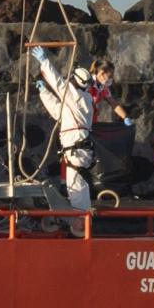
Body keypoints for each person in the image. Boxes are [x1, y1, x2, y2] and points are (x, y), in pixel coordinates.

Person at [31, 46, 95, 219]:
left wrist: (44, 61)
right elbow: (58, 110)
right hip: (77, 146)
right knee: (76, 183)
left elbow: (58, 82)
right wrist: (44, 92)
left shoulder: (74, 95)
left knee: (76, 184)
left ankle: (81, 222)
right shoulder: (82, 100)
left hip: (76, 146)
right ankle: (81, 217)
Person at [89, 59, 133, 126]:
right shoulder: (88, 84)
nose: (111, 79)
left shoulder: (103, 88)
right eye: (110, 77)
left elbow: (114, 104)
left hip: (91, 122)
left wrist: (126, 117)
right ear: (102, 73)